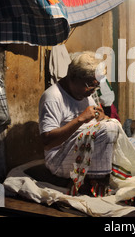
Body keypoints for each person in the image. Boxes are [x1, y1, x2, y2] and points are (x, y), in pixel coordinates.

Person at [38, 51, 120, 197]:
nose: (92, 91)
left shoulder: (84, 94)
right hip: (59, 159)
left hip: (80, 150)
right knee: (109, 128)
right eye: (89, 86)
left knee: (114, 125)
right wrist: (80, 120)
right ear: (73, 77)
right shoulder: (52, 97)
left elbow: (98, 121)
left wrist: (102, 117)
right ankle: (95, 185)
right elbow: (47, 142)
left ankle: (100, 177)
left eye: (95, 87)